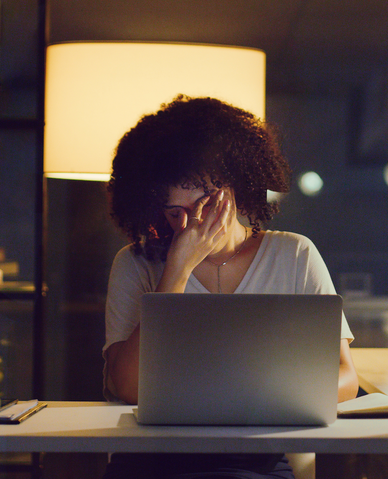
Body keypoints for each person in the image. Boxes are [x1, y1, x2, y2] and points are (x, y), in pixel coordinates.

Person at [102, 95, 358, 479]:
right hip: (152, 457)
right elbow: (125, 386)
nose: (194, 223)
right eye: (177, 213)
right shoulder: (135, 263)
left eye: (205, 203)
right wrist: (178, 269)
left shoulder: (294, 254)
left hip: (256, 456)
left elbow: (346, 378)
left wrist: (255, 403)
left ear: (236, 185)